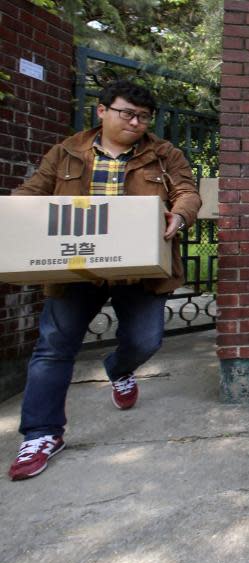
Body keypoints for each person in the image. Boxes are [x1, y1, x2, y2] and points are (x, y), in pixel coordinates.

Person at [7, 79, 201, 481]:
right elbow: (34, 191)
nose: (135, 122)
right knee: (53, 348)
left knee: (146, 341)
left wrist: (179, 215)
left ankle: (119, 368)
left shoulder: (163, 155)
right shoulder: (67, 152)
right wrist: (12, 215)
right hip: (75, 267)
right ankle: (41, 435)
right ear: (102, 111)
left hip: (138, 268)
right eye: (127, 113)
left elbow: (187, 191)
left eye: (143, 117)